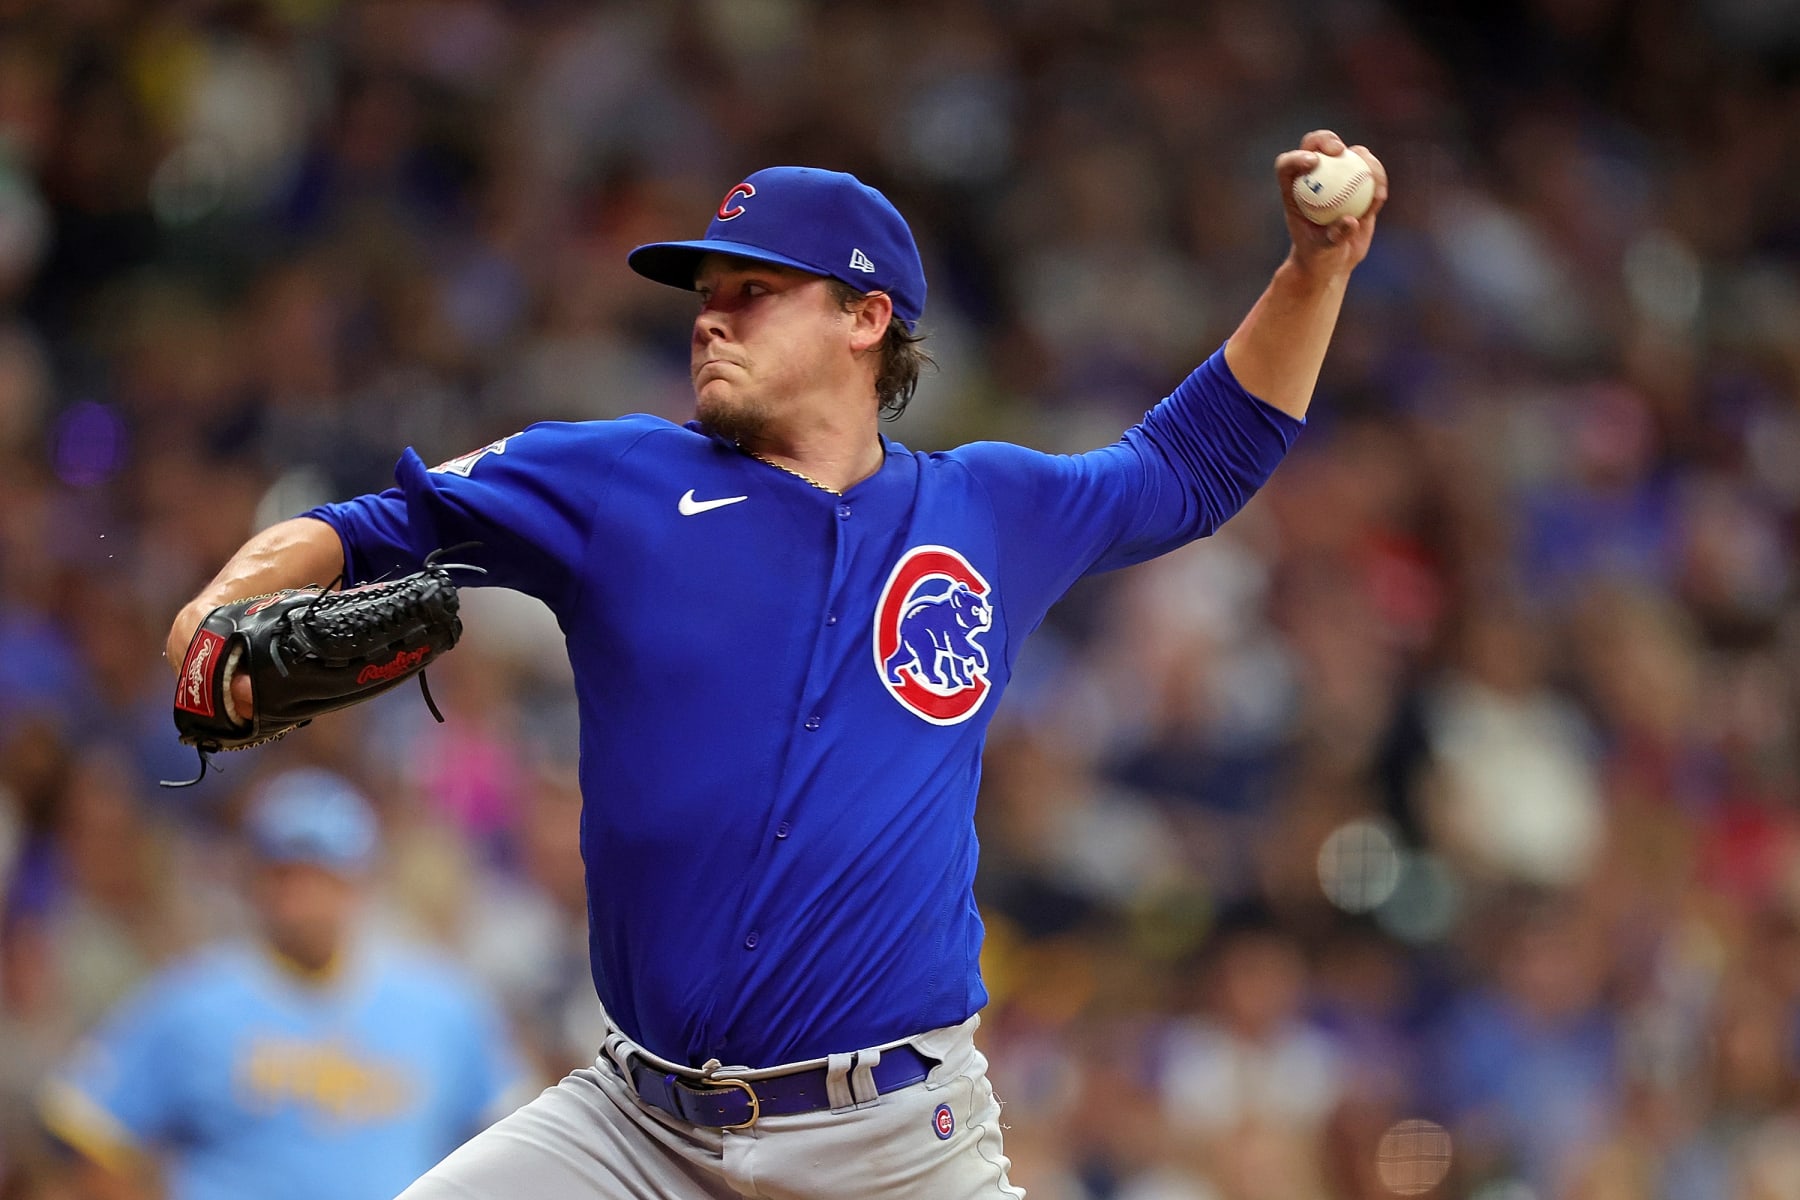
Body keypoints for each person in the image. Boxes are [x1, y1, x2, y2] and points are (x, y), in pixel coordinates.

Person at [162, 130, 1387, 1198]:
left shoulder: (987, 511)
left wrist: (1310, 270)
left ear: (867, 319)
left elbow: (1193, 465)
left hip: (896, 1144)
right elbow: (369, 527)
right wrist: (220, 604)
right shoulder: (613, 481)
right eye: (705, 291)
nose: (710, 312)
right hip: (635, 1132)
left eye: (756, 291)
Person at [37, 769, 531, 1200]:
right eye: (285, 875)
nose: (304, 898)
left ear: (360, 881)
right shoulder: (194, 999)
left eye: (323, 875)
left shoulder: (440, 1001)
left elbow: (516, 1136)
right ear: (253, 880)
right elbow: (85, 1123)